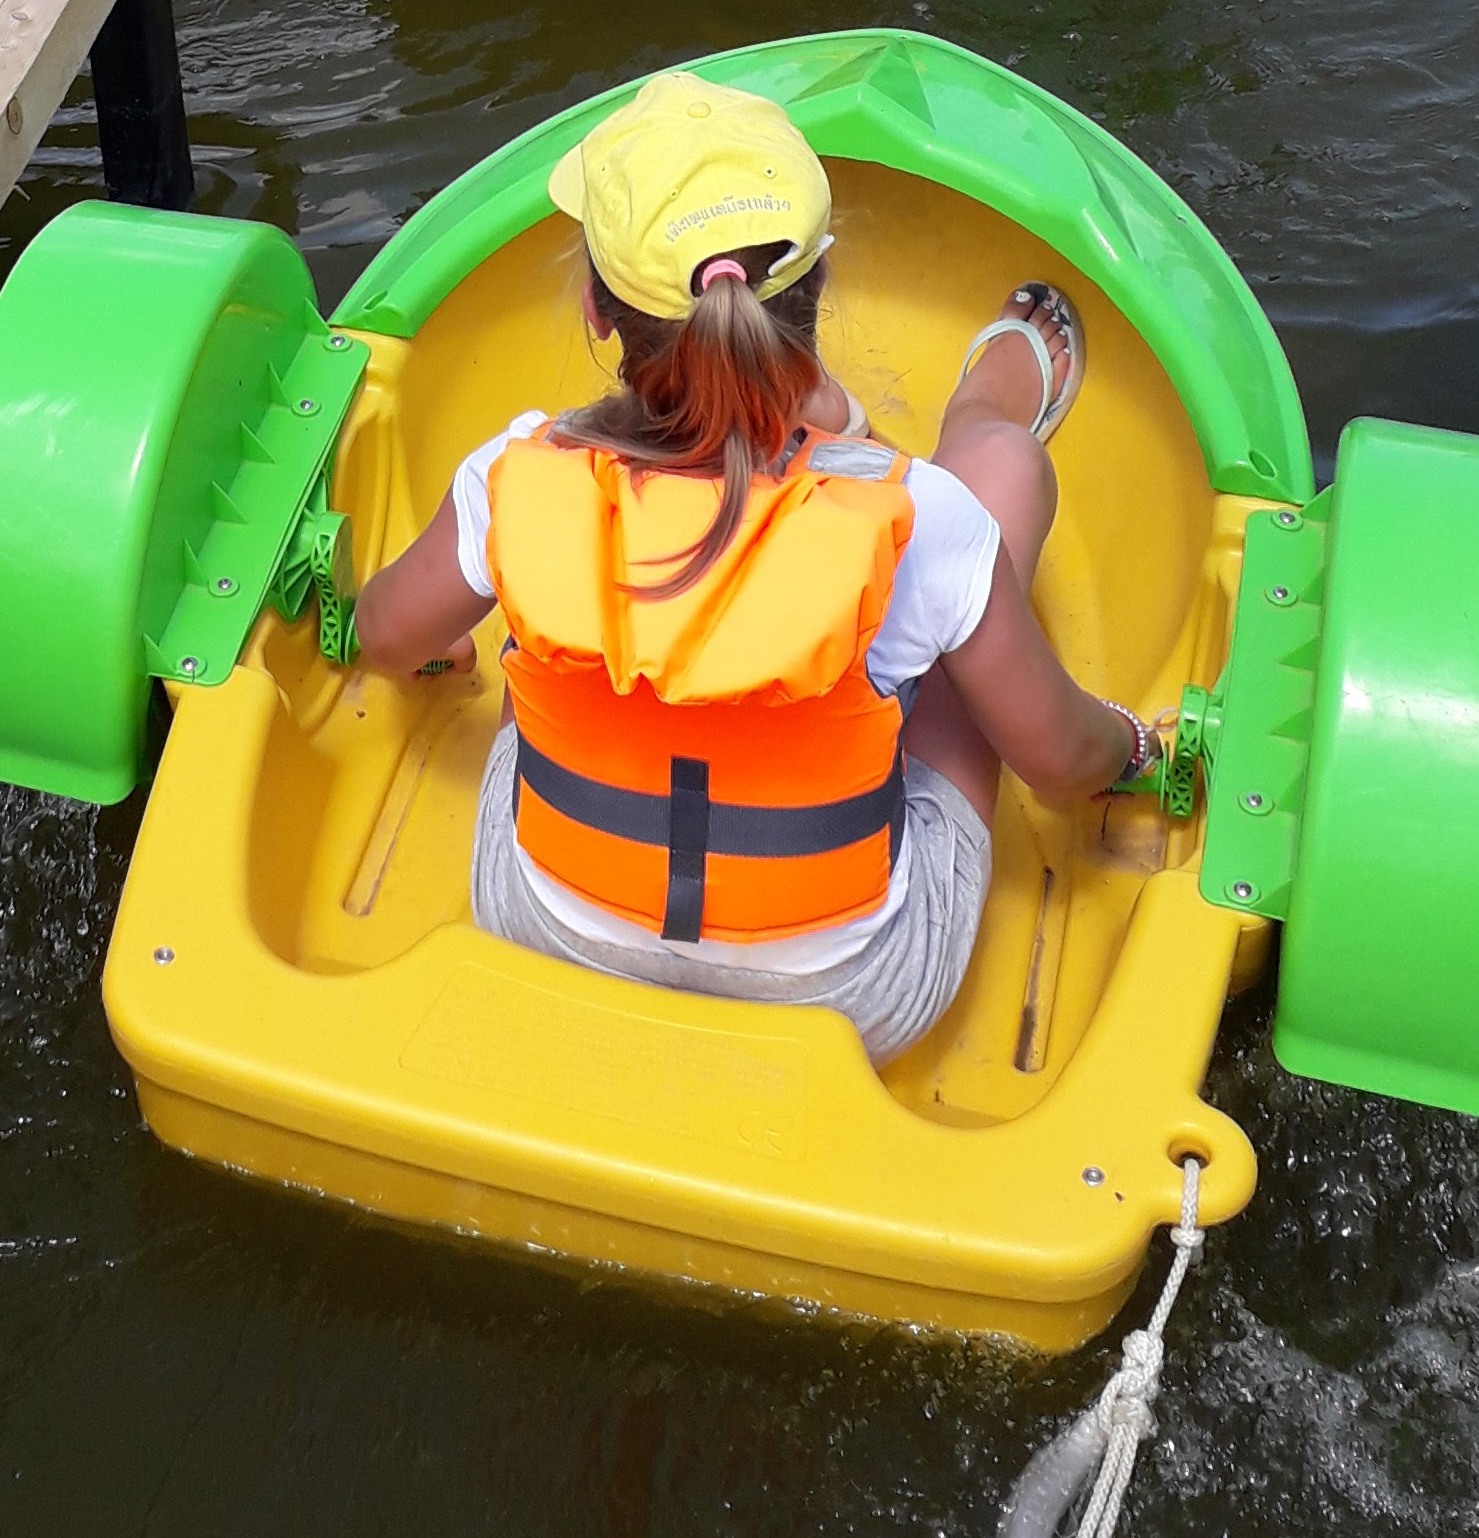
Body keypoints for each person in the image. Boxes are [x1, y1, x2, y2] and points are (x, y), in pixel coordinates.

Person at [351, 69, 1156, 1065]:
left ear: (597, 311)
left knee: (547, 639)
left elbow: (384, 636)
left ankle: (818, 428)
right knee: (998, 478)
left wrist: (443, 653)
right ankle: (963, 411)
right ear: (821, 288)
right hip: (853, 995)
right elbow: (1061, 764)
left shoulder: (511, 477)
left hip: (545, 932)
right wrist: (1132, 748)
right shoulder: (920, 519)